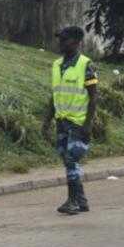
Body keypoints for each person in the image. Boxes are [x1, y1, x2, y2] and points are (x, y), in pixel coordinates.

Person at [42, 26, 98, 215]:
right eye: (60, 39)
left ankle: (73, 201)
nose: (60, 43)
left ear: (76, 42)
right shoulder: (57, 65)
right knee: (67, 161)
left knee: (71, 158)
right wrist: (47, 120)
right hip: (61, 121)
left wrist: (88, 124)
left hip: (78, 122)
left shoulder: (86, 64)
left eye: (64, 40)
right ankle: (81, 200)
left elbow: (93, 98)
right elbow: (54, 94)